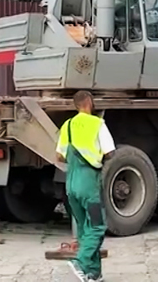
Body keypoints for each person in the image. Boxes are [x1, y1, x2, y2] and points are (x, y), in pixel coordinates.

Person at [56, 91, 115, 282]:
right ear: (89, 102)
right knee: (97, 227)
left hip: (71, 185)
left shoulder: (68, 125)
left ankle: (94, 274)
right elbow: (110, 152)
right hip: (88, 184)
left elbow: (59, 156)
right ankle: (80, 262)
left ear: (75, 105)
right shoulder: (97, 124)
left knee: (84, 229)